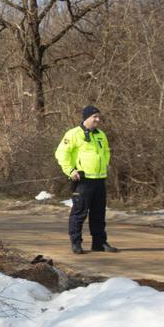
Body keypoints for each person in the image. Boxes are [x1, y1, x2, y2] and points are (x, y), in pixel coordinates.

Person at [55, 106, 118, 254]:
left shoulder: (101, 134)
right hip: (83, 180)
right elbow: (61, 153)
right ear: (86, 118)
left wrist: (106, 165)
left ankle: (99, 243)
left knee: (99, 213)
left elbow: (106, 152)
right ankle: (76, 243)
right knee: (79, 213)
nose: (97, 119)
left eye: (98, 117)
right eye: (94, 116)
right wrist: (70, 170)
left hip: (99, 179)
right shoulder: (74, 134)